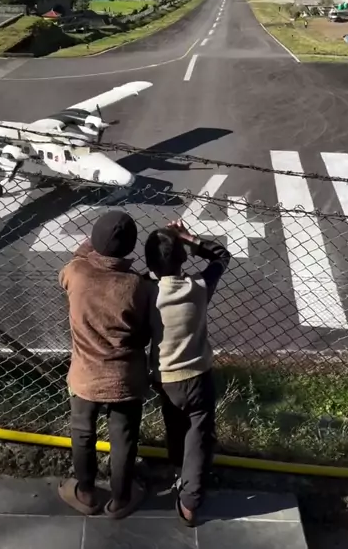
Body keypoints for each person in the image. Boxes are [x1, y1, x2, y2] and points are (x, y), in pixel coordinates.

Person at [58, 210, 150, 518]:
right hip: (125, 376)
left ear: (94, 241)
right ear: (131, 246)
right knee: (123, 437)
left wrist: (88, 250)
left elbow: (73, 265)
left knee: (82, 431)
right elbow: (147, 328)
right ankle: (121, 499)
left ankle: (85, 492)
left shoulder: (76, 273)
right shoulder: (138, 285)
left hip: (85, 374)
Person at [145, 220, 230, 526]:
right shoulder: (199, 287)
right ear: (182, 258)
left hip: (164, 377)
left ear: (150, 264)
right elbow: (221, 256)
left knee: (175, 426)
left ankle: (178, 472)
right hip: (197, 375)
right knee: (199, 434)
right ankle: (190, 502)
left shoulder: (147, 291)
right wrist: (189, 238)